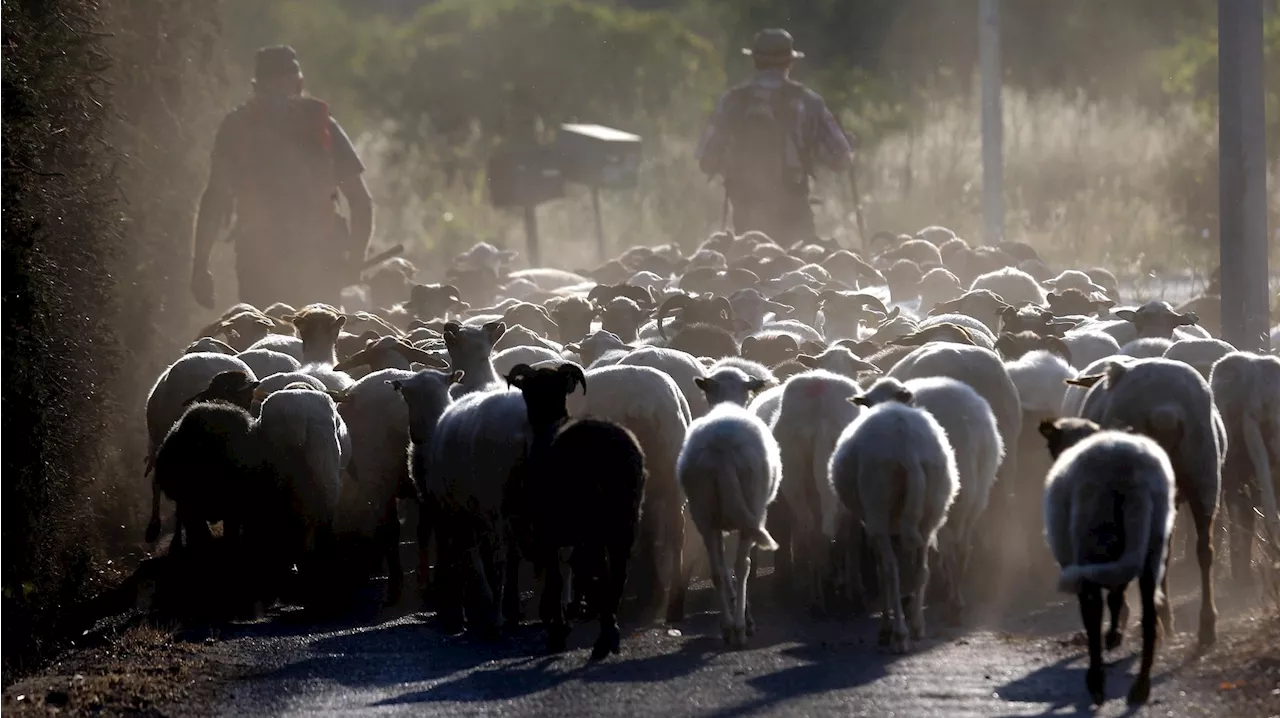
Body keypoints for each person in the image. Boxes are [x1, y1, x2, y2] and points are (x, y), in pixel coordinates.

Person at [190, 45, 374, 310]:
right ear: (299, 84)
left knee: (266, 345)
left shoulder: (236, 128)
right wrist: (355, 261)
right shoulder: (322, 127)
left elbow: (215, 198)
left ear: (255, 87)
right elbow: (360, 201)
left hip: (261, 262)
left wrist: (200, 265)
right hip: (319, 260)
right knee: (317, 347)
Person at [696, 28, 855, 246]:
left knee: (747, 269)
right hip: (794, 210)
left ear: (754, 62)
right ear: (790, 62)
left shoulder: (732, 101)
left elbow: (706, 161)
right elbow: (841, 159)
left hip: (746, 210)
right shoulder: (808, 102)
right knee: (798, 273)